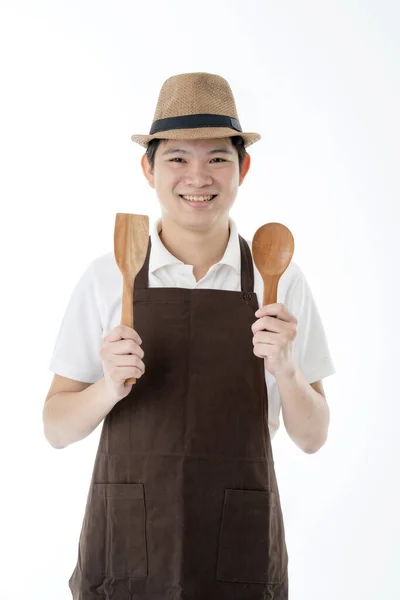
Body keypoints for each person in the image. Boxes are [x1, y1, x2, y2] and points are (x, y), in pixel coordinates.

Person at [43, 72, 335, 600]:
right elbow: (56, 429)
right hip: (128, 539)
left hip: (238, 538)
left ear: (242, 168)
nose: (197, 177)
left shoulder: (279, 278)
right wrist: (107, 387)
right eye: (177, 157)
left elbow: (313, 438)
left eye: (217, 158)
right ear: (148, 167)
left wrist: (288, 371)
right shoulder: (109, 275)